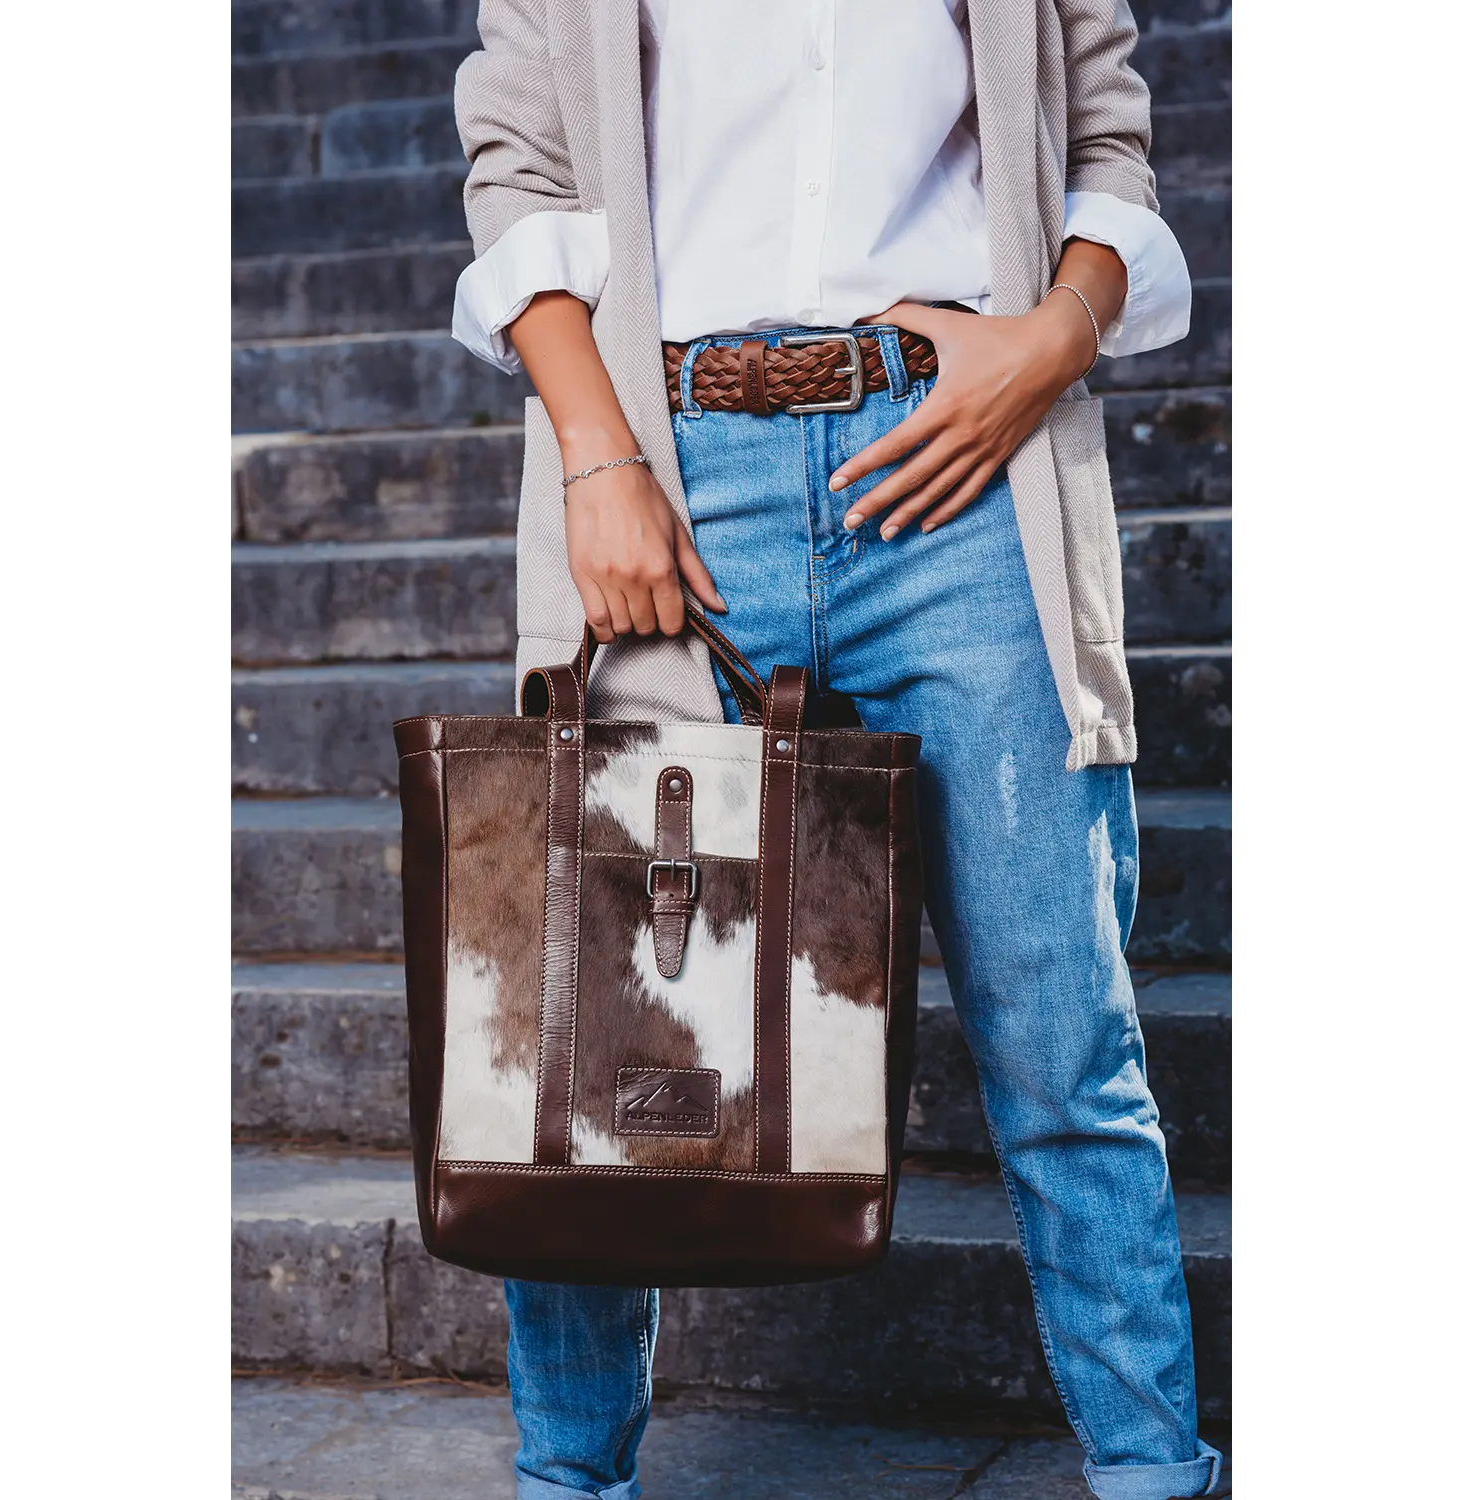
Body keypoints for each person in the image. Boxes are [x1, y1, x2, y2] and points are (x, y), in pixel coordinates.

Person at [449, 3, 1221, 1497]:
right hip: (674, 473)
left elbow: (1104, 131)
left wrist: (1050, 342)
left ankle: (1153, 1475)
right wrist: (598, 456)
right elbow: (519, 166)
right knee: (599, 1064)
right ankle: (569, 1482)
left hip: (960, 461)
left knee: (1068, 1041)